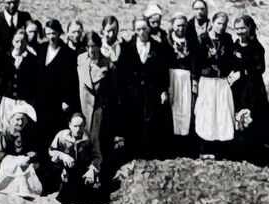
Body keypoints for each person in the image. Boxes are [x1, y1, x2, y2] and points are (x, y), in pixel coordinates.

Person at [118, 16, 171, 158]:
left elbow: (163, 71)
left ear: (149, 28)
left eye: (144, 28)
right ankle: (133, 154)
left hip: (152, 92)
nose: (142, 32)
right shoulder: (127, 48)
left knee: (151, 121)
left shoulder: (157, 47)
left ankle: (151, 154)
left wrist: (163, 90)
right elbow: (122, 74)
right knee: (134, 122)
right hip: (133, 93)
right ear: (134, 31)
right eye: (138, 29)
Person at [231, 14, 269, 153]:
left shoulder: (257, 47)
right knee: (238, 114)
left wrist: (244, 72)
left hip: (253, 87)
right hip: (238, 87)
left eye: (242, 28)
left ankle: (255, 147)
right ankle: (239, 145)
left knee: (254, 114)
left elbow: (261, 68)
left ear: (249, 28)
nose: (240, 32)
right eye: (237, 29)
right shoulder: (235, 45)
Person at [193, 11, 236, 158]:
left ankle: (220, 149)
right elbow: (196, 62)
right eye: (219, 23)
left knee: (222, 112)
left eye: (224, 24)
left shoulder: (228, 39)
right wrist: (195, 80)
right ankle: (205, 149)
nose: (221, 27)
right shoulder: (202, 39)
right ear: (212, 22)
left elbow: (230, 60)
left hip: (222, 81)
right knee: (207, 112)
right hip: (207, 80)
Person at [78, 31, 121, 171]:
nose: (91, 50)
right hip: (83, 110)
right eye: (88, 46)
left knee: (99, 145)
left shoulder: (108, 64)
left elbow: (114, 92)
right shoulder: (80, 60)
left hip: (100, 111)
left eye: (94, 46)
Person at [33, 19, 80, 140]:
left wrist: (67, 100)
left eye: (53, 33)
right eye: (48, 34)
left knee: (56, 131)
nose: (51, 37)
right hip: (41, 99)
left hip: (58, 101)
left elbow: (73, 80)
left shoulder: (68, 53)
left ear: (59, 33)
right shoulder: (41, 49)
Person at [0, 105, 43, 199]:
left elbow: (35, 149)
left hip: (25, 159)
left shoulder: (30, 132)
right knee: (14, 164)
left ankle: (25, 189)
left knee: (25, 164)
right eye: (17, 119)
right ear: (12, 119)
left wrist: (32, 154)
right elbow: (1, 151)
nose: (20, 123)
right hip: (8, 159)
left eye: (23, 120)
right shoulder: (6, 132)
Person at [49, 112, 101, 204]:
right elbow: (51, 151)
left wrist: (92, 170)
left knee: (91, 197)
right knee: (64, 199)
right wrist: (63, 156)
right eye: (75, 126)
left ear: (84, 125)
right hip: (66, 168)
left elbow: (97, 157)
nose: (78, 129)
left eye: (81, 126)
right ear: (69, 125)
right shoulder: (62, 136)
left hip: (83, 170)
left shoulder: (91, 138)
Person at [0, 30, 39, 132]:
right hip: (8, 99)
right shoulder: (6, 57)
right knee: (6, 126)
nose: (19, 44)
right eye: (17, 41)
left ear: (26, 42)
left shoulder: (32, 59)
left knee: (21, 126)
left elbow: (35, 82)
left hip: (24, 100)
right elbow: (1, 78)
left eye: (23, 41)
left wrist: (32, 100)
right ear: (13, 42)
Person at [166, 13, 197, 151]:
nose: (181, 28)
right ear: (173, 26)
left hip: (186, 78)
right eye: (178, 25)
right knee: (173, 107)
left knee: (185, 107)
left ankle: (185, 140)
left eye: (183, 25)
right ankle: (173, 141)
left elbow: (195, 61)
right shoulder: (167, 41)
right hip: (172, 77)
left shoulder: (191, 41)